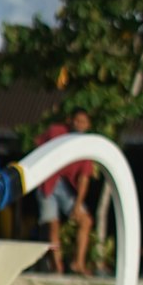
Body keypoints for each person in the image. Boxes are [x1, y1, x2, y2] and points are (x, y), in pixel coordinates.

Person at [34, 108, 94, 275]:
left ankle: (78, 263)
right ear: (70, 120)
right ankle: (57, 267)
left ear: (88, 125)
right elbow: (37, 146)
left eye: (84, 122)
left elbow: (84, 178)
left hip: (67, 188)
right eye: (77, 121)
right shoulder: (56, 132)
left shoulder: (87, 145)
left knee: (86, 221)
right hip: (47, 182)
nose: (80, 125)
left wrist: (78, 205)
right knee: (53, 225)